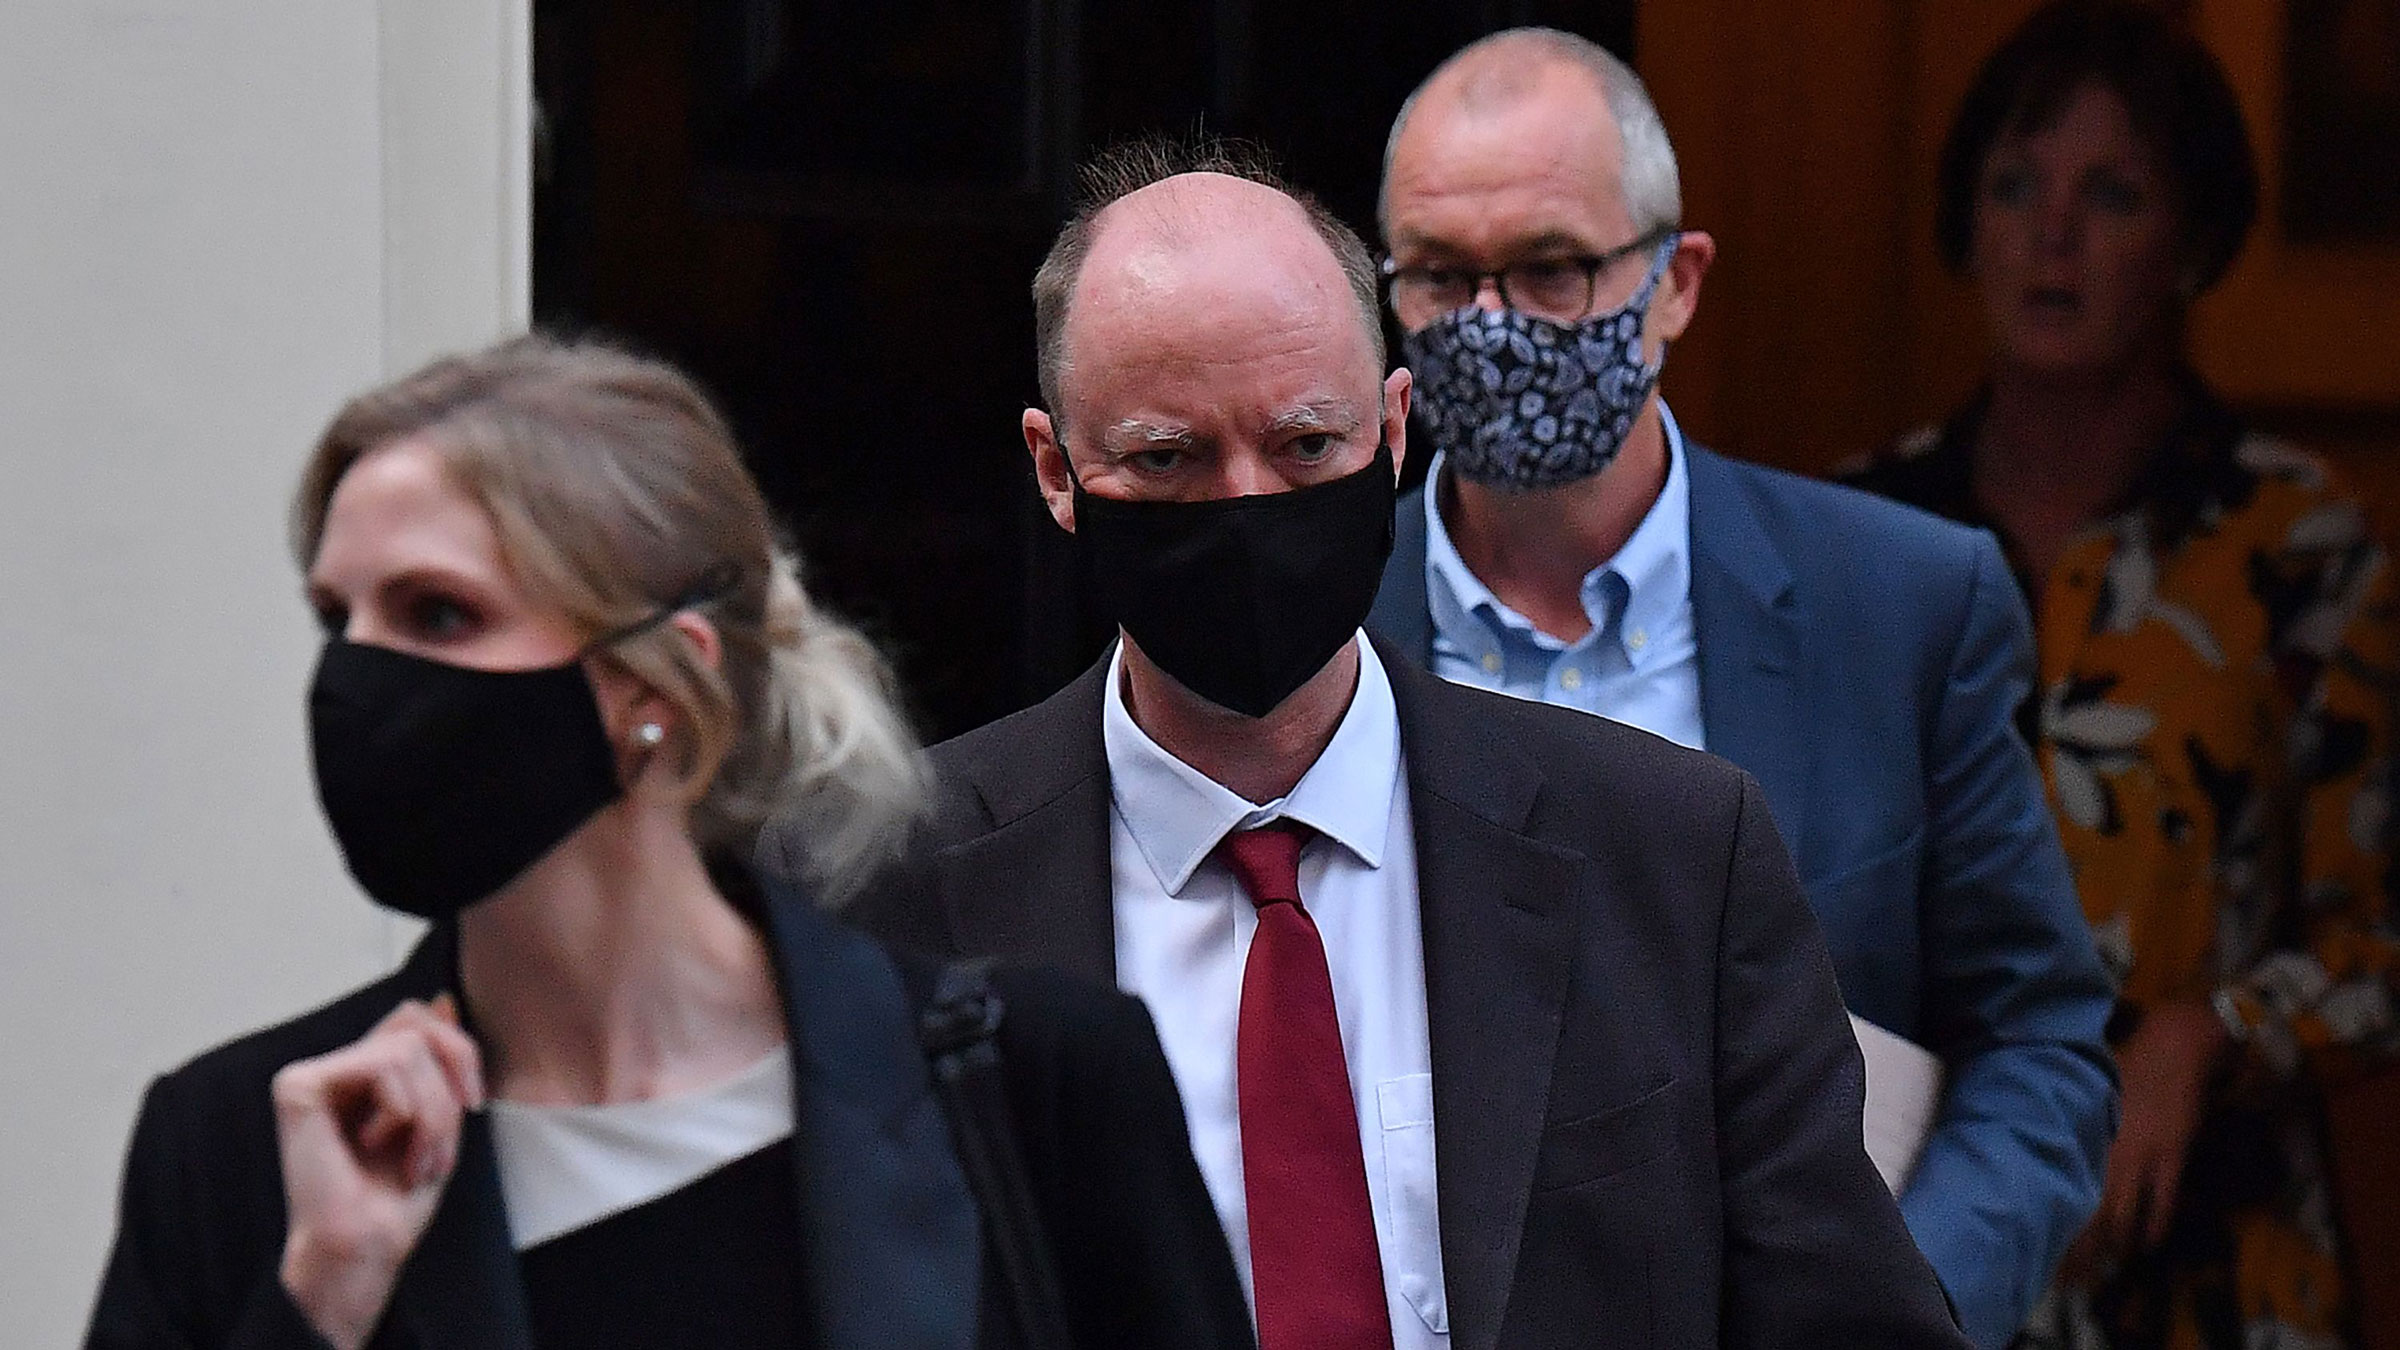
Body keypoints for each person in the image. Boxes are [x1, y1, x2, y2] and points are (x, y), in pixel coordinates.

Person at [797, 136, 1971, 1350]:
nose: (1245, 504)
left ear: (1395, 432)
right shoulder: (880, 895)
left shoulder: (1672, 853)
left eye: (1306, 447)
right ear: (1056, 468)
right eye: (1167, 458)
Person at [83, 336, 1253, 1350]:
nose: (358, 678)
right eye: (339, 619)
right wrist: (319, 1301)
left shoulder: (1032, 1088)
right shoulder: (251, 1148)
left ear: (663, 683)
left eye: (439, 613)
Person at [1361, 29, 2119, 1348]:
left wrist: (1901, 1312)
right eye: (1438, 277)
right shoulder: (1316, 622)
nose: (1491, 327)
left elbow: (2038, 1039)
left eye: (1550, 270)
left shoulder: (1900, 606)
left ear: (1674, 282)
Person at [1843, 4, 2400, 1347]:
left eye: (2113, 194)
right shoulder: (1863, 541)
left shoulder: (2295, 547)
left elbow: (2381, 935)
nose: (2052, 234)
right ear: (1964, 225)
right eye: (2016, 187)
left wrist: (2211, 1031)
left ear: (2192, 245)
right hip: (1918, 1235)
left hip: (2212, 1260)